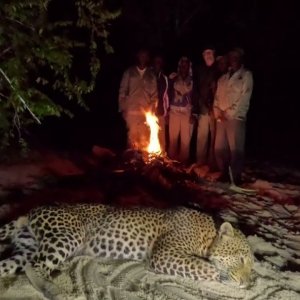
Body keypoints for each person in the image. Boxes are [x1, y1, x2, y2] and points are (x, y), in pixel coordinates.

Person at [213, 48, 253, 184]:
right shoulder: (223, 78)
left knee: (236, 149)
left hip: (236, 118)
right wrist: (218, 113)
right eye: (232, 56)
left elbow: (244, 98)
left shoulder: (246, 75)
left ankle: (235, 176)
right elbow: (216, 98)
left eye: (236, 56)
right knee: (219, 148)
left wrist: (229, 112)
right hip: (221, 119)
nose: (234, 59)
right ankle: (224, 172)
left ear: (241, 58)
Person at [118, 49, 158, 150]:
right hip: (131, 112)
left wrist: (152, 111)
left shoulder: (151, 75)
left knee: (144, 141)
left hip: (145, 113)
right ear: (138, 56)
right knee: (132, 140)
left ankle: (143, 163)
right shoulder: (129, 72)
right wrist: (122, 108)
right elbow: (122, 91)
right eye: (141, 55)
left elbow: (154, 96)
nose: (143, 58)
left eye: (145, 56)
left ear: (148, 58)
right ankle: (131, 163)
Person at [192, 46, 219, 168]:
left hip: (216, 110)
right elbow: (196, 89)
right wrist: (196, 108)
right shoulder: (199, 70)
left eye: (210, 53)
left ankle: (213, 163)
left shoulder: (219, 68)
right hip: (203, 108)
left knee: (215, 138)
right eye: (205, 53)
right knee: (201, 137)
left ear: (214, 53)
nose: (208, 55)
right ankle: (200, 162)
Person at [168, 56, 193, 163]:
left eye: (186, 64)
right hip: (174, 111)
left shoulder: (193, 80)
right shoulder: (173, 78)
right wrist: (166, 111)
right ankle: (171, 162)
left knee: (185, 140)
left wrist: (194, 114)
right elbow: (167, 94)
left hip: (187, 112)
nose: (184, 66)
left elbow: (196, 96)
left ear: (188, 66)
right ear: (179, 66)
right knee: (173, 139)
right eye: (182, 64)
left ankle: (183, 163)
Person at [152, 55, 169, 154]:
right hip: (149, 112)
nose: (158, 64)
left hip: (161, 111)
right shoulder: (149, 76)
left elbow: (166, 96)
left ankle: (161, 158)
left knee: (162, 137)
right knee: (149, 135)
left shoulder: (164, 78)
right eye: (156, 61)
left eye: (160, 62)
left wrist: (166, 113)